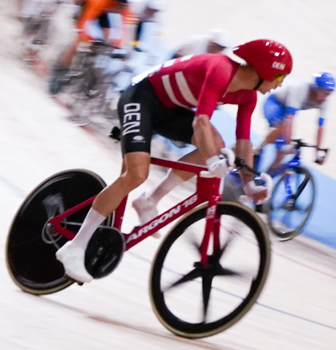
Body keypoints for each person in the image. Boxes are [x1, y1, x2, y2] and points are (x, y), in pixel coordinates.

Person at [58, 39, 294, 280]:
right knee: (137, 174)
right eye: (279, 77)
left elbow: (243, 142)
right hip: (141, 97)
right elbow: (200, 121)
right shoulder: (221, 69)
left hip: (170, 109)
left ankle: (150, 200)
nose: (280, 84)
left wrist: (249, 183)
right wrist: (213, 160)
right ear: (264, 69)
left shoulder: (248, 97)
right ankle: (75, 247)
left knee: (216, 144)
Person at [257, 71, 336, 180]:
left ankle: (262, 181)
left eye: (329, 93)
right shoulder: (301, 89)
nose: (326, 96)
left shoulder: (325, 101)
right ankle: (257, 148)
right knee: (282, 128)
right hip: (274, 103)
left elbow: (320, 128)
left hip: (285, 112)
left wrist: (318, 152)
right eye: (324, 92)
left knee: (281, 154)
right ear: (316, 88)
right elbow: (290, 118)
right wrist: (288, 142)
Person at [53, 0, 132, 85]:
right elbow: (83, 23)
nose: (117, 10)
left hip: (102, 9)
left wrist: (116, 44)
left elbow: (125, 28)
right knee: (77, 42)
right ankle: (61, 67)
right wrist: (87, 38)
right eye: (116, 7)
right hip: (86, 3)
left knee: (106, 37)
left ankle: (90, 63)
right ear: (113, 2)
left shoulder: (124, 6)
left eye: (119, 8)